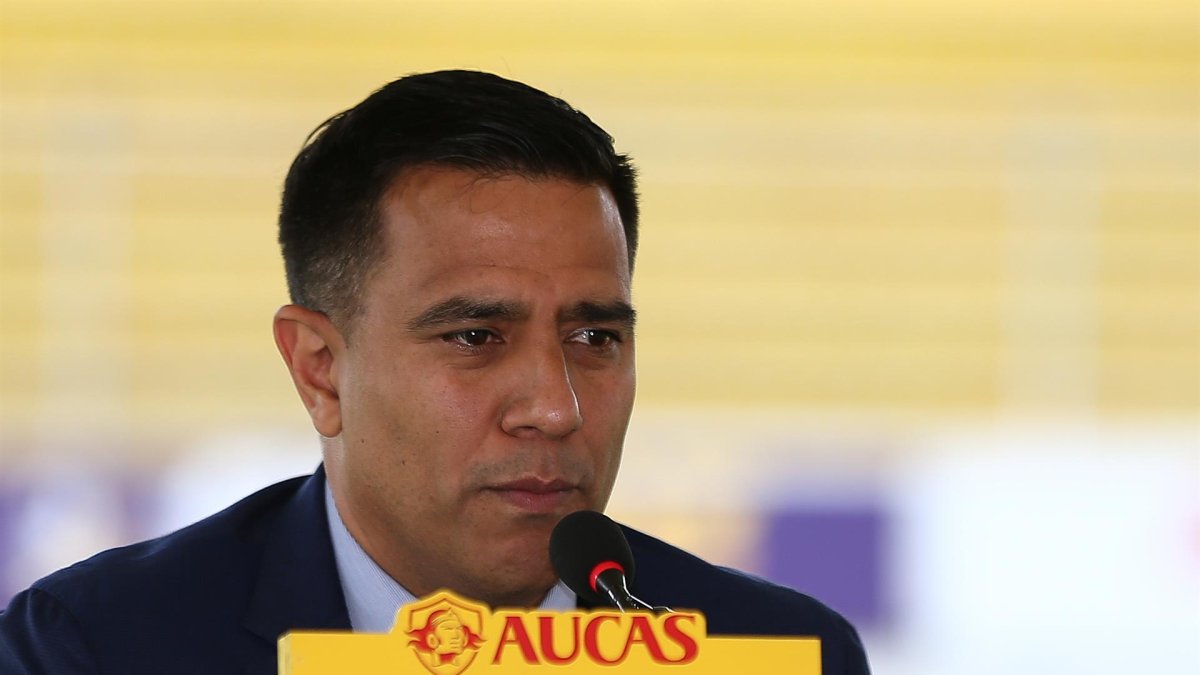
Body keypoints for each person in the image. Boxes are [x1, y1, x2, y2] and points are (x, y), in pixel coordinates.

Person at [0, 70, 870, 674]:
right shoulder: (101, 649)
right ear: (320, 371)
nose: (555, 408)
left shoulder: (775, 652)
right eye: (475, 337)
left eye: (596, 337)